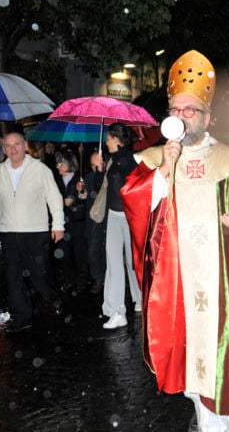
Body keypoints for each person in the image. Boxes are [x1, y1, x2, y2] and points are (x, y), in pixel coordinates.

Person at [121, 49, 229, 431]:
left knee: (220, 366)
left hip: (222, 285)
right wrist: (164, 169)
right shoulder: (153, 160)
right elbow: (134, 202)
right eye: (175, 110)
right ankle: (204, 418)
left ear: (208, 118)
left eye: (189, 110)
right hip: (175, 284)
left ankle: (217, 425)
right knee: (187, 364)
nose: (180, 116)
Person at [0, 132, 64, 333]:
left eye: (16, 144)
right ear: (4, 149)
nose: (13, 149)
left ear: (25, 145)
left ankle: (53, 299)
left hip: (35, 231)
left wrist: (58, 224)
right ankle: (22, 315)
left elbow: (54, 197)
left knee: (38, 274)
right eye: (8, 146)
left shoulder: (39, 169)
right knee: (13, 275)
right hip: (9, 231)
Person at [95, 123, 141, 329]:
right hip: (117, 216)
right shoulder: (118, 159)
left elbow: (125, 187)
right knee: (125, 262)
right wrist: (99, 169)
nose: (105, 142)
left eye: (108, 138)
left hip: (127, 217)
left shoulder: (126, 160)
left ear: (115, 138)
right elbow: (106, 188)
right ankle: (130, 304)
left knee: (124, 263)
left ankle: (120, 309)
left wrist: (110, 166)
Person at [54, 151, 88, 293]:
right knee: (63, 253)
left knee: (80, 252)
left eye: (61, 163)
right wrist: (62, 202)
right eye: (58, 163)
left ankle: (82, 280)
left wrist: (76, 199)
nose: (58, 166)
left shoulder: (79, 180)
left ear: (70, 164)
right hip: (62, 222)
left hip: (78, 222)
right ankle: (69, 280)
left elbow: (86, 199)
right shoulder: (55, 181)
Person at [81, 152, 106, 294]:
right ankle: (97, 279)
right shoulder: (88, 178)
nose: (94, 167)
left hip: (107, 220)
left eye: (97, 164)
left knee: (105, 252)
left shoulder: (109, 176)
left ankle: (107, 278)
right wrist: (81, 191)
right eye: (92, 164)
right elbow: (84, 196)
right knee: (93, 253)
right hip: (93, 221)